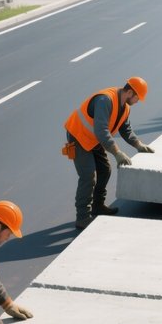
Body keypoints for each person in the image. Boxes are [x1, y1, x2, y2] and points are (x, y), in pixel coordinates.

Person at [64, 77, 153, 230]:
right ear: (130, 92)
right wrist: (117, 152)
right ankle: (83, 217)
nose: (138, 101)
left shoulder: (125, 107)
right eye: (138, 98)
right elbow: (101, 130)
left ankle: (97, 206)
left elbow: (125, 129)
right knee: (88, 175)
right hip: (78, 136)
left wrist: (138, 144)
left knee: (105, 169)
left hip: (93, 139)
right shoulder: (105, 100)